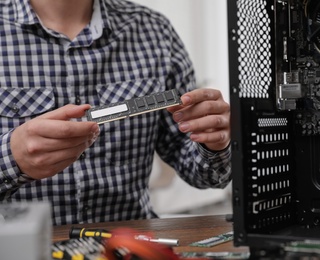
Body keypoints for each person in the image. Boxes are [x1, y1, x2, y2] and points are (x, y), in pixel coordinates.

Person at [0, 0, 231, 225]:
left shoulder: (155, 31)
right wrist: (11, 159)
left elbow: (207, 173)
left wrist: (215, 142)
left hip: (131, 245)